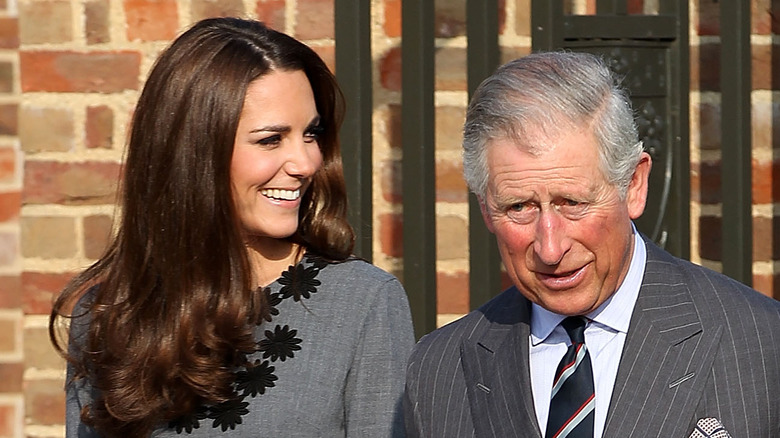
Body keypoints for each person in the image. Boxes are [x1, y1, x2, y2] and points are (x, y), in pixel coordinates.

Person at [49, 17, 415, 438]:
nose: (306, 163)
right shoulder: (107, 315)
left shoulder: (361, 302)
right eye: (271, 139)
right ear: (195, 153)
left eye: (311, 134)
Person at [403, 51, 780, 438]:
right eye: (519, 207)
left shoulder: (761, 347)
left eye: (573, 203)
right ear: (485, 208)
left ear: (634, 185)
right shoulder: (439, 372)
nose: (550, 248)